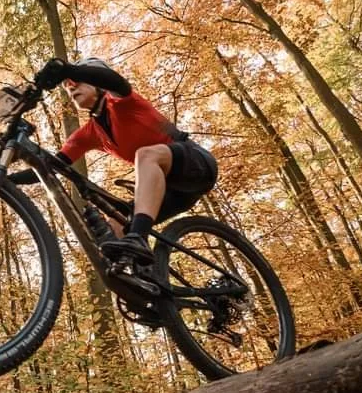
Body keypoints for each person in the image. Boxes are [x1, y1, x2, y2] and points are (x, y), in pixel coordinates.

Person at [18, 57, 218, 266]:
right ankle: (149, 287)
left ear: (98, 84)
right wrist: (4, 178)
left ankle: (138, 239)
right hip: (169, 191)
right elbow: (50, 166)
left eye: (78, 81)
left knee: (145, 155)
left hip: (197, 165)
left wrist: (68, 70)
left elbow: (114, 81)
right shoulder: (88, 133)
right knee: (115, 228)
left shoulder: (123, 102)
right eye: (67, 85)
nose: (70, 86)